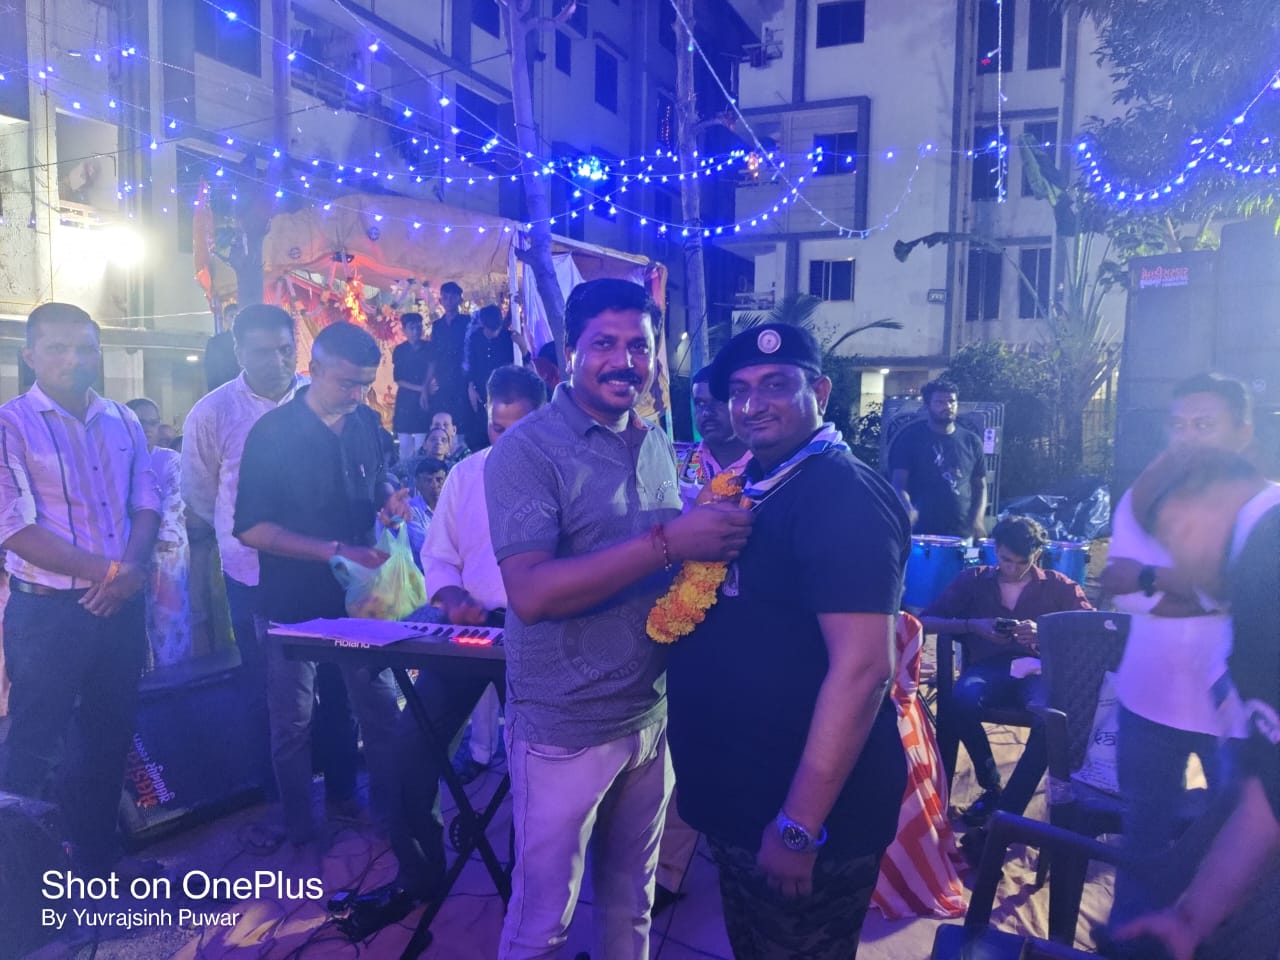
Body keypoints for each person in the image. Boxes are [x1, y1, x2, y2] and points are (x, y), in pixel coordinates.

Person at [485, 278, 753, 959]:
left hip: (651, 715)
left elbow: (653, 537)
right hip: (565, 727)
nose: (624, 361)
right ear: (570, 350)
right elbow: (530, 593)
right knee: (543, 923)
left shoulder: (652, 436)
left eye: (639, 346)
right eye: (604, 343)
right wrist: (670, 542)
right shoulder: (527, 449)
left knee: (633, 904)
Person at [666, 322, 910, 960]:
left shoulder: (840, 493)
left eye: (776, 384)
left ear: (819, 392)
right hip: (743, 797)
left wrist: (800, 825)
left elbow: (863, 670)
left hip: (803, 813)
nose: (753, 403)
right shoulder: (756, 484)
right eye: (740, 390)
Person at [233, 322, 408, 853]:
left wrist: (388, 498)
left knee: (377, 710)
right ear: (314, 371)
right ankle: (301, 829)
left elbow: (378, 476)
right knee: (293, 723)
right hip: (292, 602)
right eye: (346, 383)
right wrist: (333, 549)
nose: (357, 395)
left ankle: (387, 816)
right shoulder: (272, 434)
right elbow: (251, 528)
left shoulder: (366, 422)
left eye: (365, 384)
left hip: (361, 600)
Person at [0, 302, 161, 879]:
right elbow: (13, 528)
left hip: (119, 609)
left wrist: (127, 573)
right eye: (58, 348)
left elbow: (147, 501)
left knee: (108, 736)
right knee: (34, 747)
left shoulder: (123, 419)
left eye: (85, 347)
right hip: (47, 615)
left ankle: (97, 864)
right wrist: (114, 574)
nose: (74, 359)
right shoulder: (10, 424)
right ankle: (22, 882)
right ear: (30, 355)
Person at [1112, 447, 1280, 960]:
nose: (1177, 563)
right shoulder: (1250, 607)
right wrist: (1189, 921)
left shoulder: (1267, 566)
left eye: (1175, 534)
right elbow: (1269, 793)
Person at [1100, 372, 1256, 923]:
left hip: (1237, 716)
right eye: (1179, 425)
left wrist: (1155, 578)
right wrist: (1208, 591)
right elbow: (1122, 592)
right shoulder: (1140, 501)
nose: (1188, 437)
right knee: (1141, 844)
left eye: (1204, 425)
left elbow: (1246, 592)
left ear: (1242, 433)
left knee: (1239, 856)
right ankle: (1129, 946)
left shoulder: (1265, 507)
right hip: (1146, 702)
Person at [182, 304, 312, 800]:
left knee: (333, 681)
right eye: (262, 352)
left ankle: (334, 785)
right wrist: (240, 532)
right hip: (250, 571)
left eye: (285, 349)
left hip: (322, 570)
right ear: (238, 352)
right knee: (264, 684)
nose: (278, 362)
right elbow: (201, 492)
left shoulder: (317, 398)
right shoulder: (212, 412)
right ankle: (276, 796)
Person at [920, 516, 1092, 831]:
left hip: (1039, 670)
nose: (1013, 569)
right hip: (989, 667)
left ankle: (1006, 810)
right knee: (960, 701)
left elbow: (1090, 630)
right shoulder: (973, 580)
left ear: (1037, 554)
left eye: (1023, 562)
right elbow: (926, 621)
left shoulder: (1058, 585)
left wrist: (1043, 633)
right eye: (1006, 560)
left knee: (1050, 719)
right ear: (995, 550)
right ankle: (992, 783)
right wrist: (973, 626)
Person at [126, 397, 192, 669]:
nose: (148, 428)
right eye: (140, 422)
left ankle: (173, 683)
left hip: (166, 556)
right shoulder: (113, 458)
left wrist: (153, 541)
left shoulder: (170, 459)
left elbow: (174, 505)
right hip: (123, 555)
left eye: (152, 423)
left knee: (167, 626)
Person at [889, 378, 987, 540]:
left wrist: (978, 520)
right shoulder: (910, 439)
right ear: (928, 405)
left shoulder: (971, 441)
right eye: (940, 402)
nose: (947, 406)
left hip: (962, 533)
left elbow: (980, 486)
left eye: (951, 401)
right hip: (921, 533)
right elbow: (899, 484)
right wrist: (908, 509)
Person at [677, 364, 751, 510]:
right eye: (700, 403)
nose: (707, 412)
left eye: (718, 401)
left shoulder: (767, 464)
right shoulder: (676, 462)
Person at [463, 305, 524, 449]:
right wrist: (470, 386)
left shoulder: (508, 338)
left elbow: (524, 363)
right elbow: (471, 363)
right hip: (480, 392)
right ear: (483, 324)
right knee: (480, 434)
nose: (494, 334)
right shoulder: (475, 338)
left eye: (496, 330)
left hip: (504, 393)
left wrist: (522, 346)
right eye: (491, 331)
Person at [425, 281, 470, 428]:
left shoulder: (468, 322)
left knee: (462, 421)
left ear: (460, 300)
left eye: (453, 297)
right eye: (445, 297)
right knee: (442, 418)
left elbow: (473, 351)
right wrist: (427, 384)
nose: (449, 301)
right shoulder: (437, 326)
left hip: (463, 378)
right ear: (440, 301)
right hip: (442, 378)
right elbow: (433, 356)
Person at [392, 312, 432, 463]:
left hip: (425, 400)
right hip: (406, 400)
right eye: (411, 328)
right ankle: (405, 475)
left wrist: (425, 389)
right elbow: (399, 379)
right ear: (404, 330)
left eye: (418, 327)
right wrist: (422, 390)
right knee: (405, 447)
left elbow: (432, 367)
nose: (416, 331)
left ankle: (422, 475)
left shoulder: (428, 347)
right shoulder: (400, 350)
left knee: (422, 445)